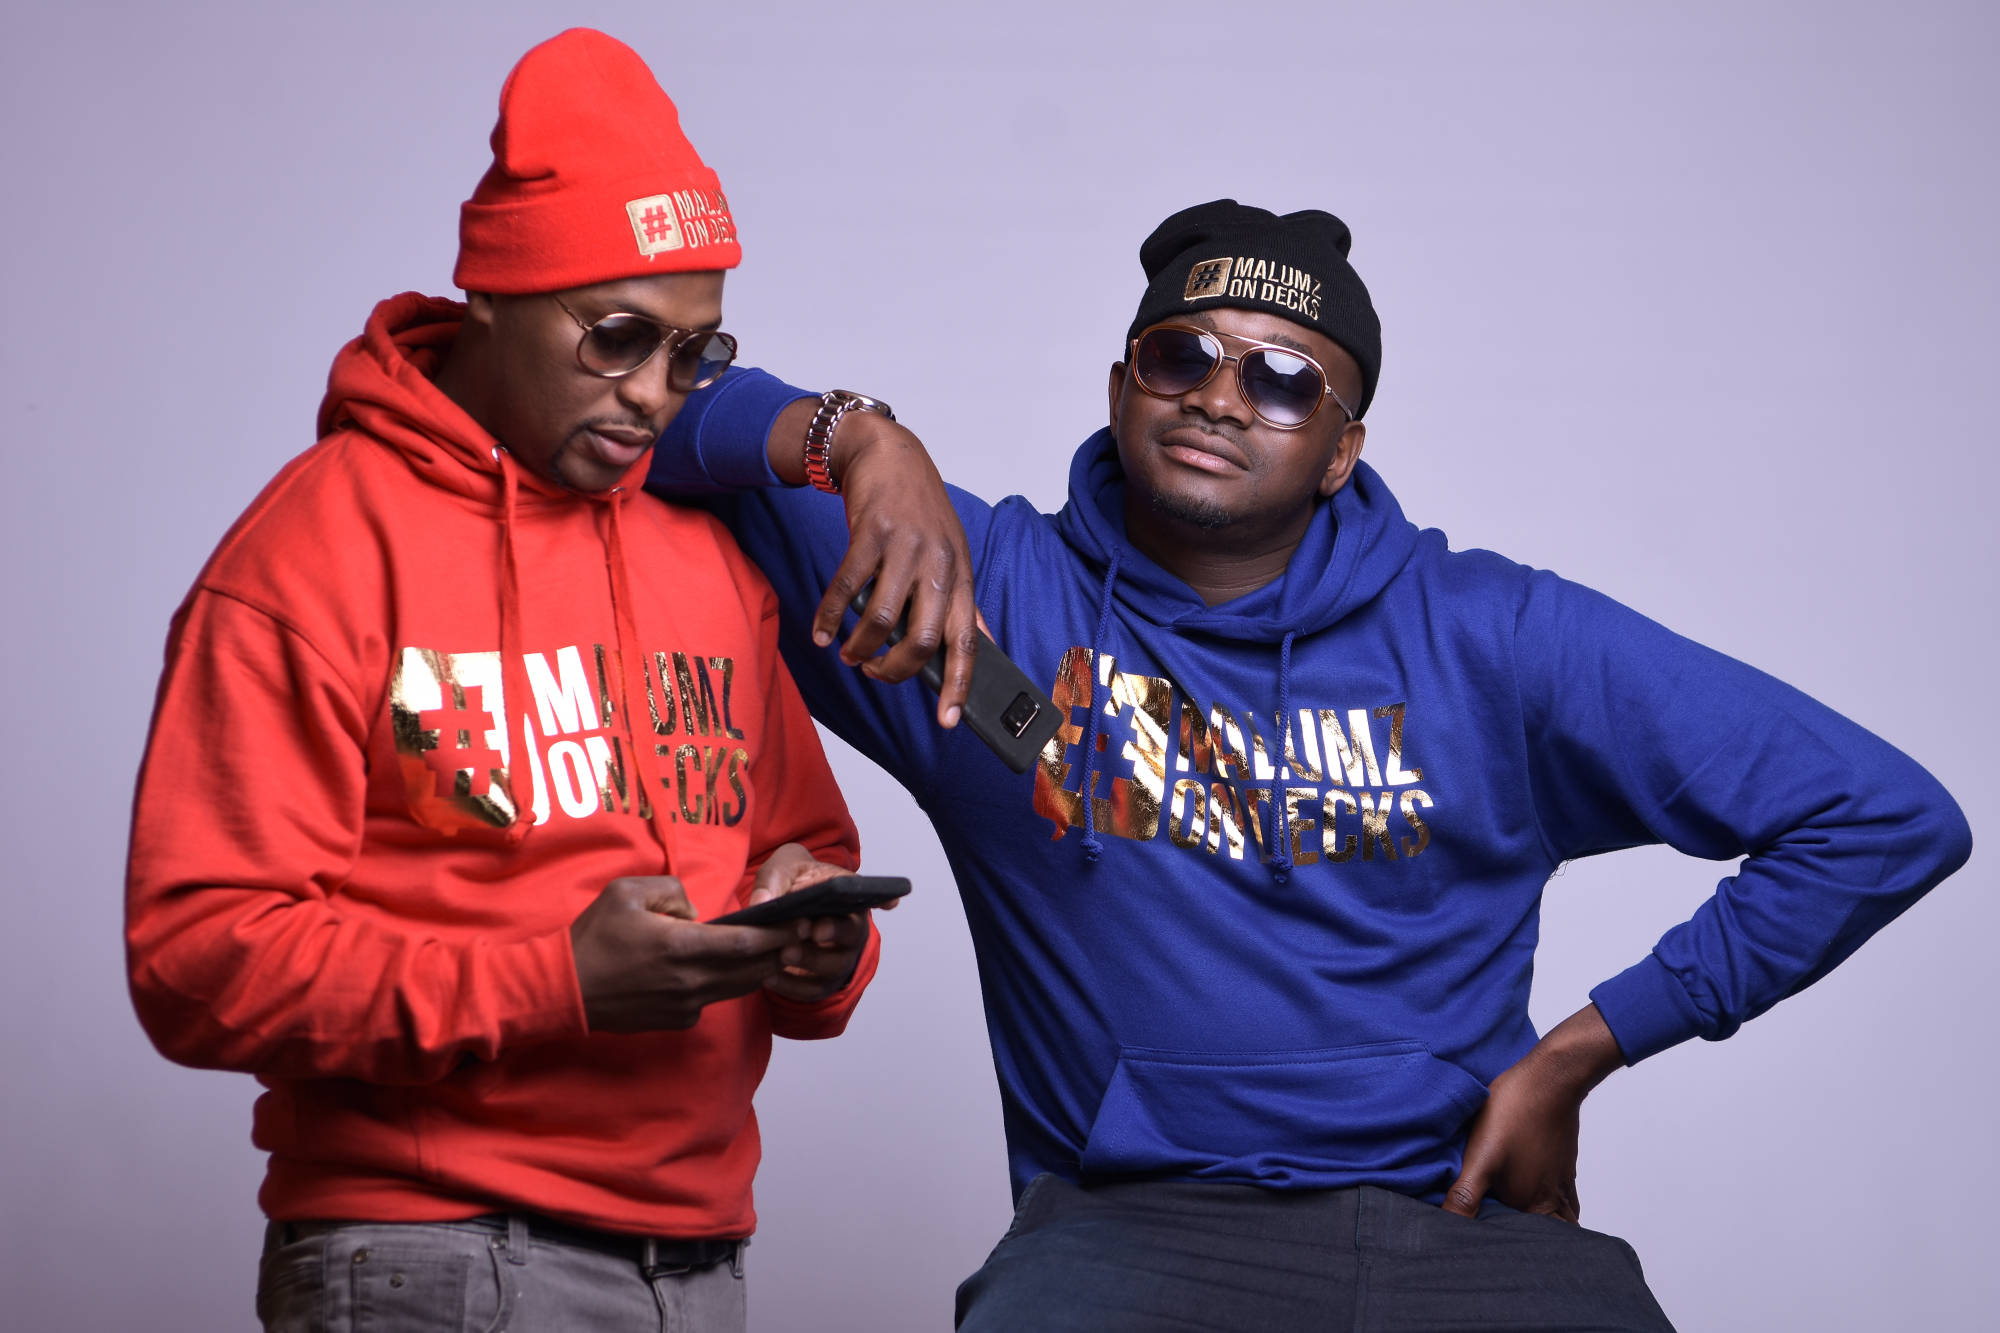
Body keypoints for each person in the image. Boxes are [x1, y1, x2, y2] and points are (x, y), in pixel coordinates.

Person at [648, 199, 1973, 1330]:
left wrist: (1582, 1049)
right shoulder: (977, 593)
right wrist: (860, 439)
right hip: (1129, 1236)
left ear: (1341, 450)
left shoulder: (1492, 635)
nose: (1221, 395)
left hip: (1458, 1222)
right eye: (1182, 354)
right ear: (1120, 388)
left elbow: (1881, 816)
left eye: (1284, 380)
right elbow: (637, 403)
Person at [124, 29, 884, 1332]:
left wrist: (818, 946)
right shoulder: (315, 553)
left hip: (701, 1262)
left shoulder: (705, 558)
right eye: (618, 339)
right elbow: (195, 959)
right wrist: (553, 980)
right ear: (492, 298)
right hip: (433, 1255)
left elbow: (805, 846)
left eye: (693, 354)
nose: (655, 396)